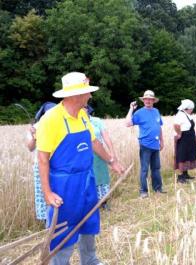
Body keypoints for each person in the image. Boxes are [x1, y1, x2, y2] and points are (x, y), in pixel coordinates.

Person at [36, 72, 124, 265]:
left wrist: (111, 160)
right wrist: (48, 192)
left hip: (86, 180)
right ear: (75, 95)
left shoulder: (83, 115)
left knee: (89, 222)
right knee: (63, 230)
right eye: (87, 92)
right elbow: (42, 159)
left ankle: (90, 260)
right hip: (65, 186)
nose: (90, 96)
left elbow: (93, 141)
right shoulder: (50, 120)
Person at [125, 90, 165, 199]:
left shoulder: (156, 111)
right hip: (145, 145)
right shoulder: (139, 113)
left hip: (156, 145)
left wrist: (162, 141)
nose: (148, 101)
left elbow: (159, 127)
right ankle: (143, 191)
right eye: (146, 99)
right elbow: (127, 123)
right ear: (143, 100)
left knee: (156, 168)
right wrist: (131, 109)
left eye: (150, 99)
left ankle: (158, 188)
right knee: (144, 169)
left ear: (153, 101)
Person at [26, 101, 56, 222]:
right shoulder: (35, 127)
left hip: (57, 164)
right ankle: (46, 221)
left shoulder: (58, 124)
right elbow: (30, 147)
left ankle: (58, 218)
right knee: (42, 192)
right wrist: (34, 135)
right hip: (41, 165)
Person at [85, 105, 116, 210]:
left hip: (100, 154)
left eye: (86, 108)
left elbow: (106, 137)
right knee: (91, 179)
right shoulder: (77, 122)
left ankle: (104, 202)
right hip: (86, 155)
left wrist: (112, 154)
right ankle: (93, 205)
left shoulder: (97, 121)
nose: (84, 110)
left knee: (102, 178)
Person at [173, 99, 196, 184]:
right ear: (187, 108)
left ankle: (185, 174)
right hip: (183, 138)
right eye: (191, 109)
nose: (192, 110)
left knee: (188, 156)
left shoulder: (186, 114)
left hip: (189, 137)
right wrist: (179, 134)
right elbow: (176, 125)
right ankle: (180, 177)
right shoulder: (180, 115)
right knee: (182, 156)